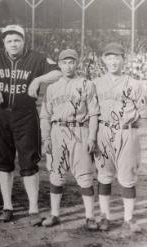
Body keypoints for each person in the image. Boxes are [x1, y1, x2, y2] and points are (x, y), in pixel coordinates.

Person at [0, 24, 61, 225]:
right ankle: (8, 207)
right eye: (9, 41)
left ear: (24, 41)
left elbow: (57, 72)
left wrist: (38, 79)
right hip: (1, 115)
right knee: (4, 162)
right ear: (4, 42)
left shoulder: (35, 57)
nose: (13, 44)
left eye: (17, 40)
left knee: (29, 161)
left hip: (26, 116)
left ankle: (33, 208)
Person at [40, 49, 99, 230]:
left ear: (77, 64)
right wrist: (46, 138)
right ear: (59, 64)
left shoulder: (87, 84)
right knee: (56, 175)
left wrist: (91, 137)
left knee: (85, 176)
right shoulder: (51, 88)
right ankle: (55, 215)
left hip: (79, 130)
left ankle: (90, 217)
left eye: (71, 62)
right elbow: (45, 115)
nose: (68, 66)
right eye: (64, 62)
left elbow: (94, 113)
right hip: (58, 131)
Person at [93, 43, 144, 233]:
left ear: (123, 60)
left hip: (126, 132)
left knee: (128, 177)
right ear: (104, 60)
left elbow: (143, 111)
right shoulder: (95, 83)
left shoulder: (134, 83)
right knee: (104, 175)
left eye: (117, 57)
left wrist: (128, 126)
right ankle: (105, 216)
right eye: (109, 57)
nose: (113, 61)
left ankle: (128, 219)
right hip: (104, 132)